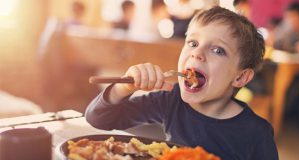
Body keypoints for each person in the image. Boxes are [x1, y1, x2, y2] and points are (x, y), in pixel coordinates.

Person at [85, 6, 278, 160]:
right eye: (193, 43)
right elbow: (98, 119)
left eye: (218, 50)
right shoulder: (171, 100)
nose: (197, 53)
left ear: (241, 77)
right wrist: (124, 88)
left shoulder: (257, 133)